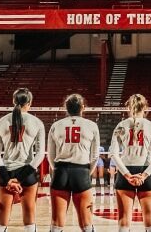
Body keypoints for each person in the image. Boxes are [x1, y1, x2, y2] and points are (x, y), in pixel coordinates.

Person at [0, 88, 46, 232]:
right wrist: (20, 179)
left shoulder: (1, 122)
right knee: (29, 218)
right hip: (27, 174)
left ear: (13, 101)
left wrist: (8, 179)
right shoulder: (37, 122)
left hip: (6, 174)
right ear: (29, 103)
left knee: (1, 221)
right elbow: (40, 155)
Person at [110, 94, 151, 232]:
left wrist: (127, 175)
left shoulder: (121, 126)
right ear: (145, 107)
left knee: (124, 220)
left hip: (124, 171)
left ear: (128, 106)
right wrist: (144, 176)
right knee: (150, 219)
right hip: (146, 170)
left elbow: (114, 154)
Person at [47, 94, 100, 232]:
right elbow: (95, 155)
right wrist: (87, 172)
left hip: (60, 171)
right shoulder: (92, 126)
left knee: (56, 223)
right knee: (86, 224)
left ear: (66, 107)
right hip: (81, 171)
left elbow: (51, 155)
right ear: (83, 107)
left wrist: (57, 169)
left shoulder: (56, 125)